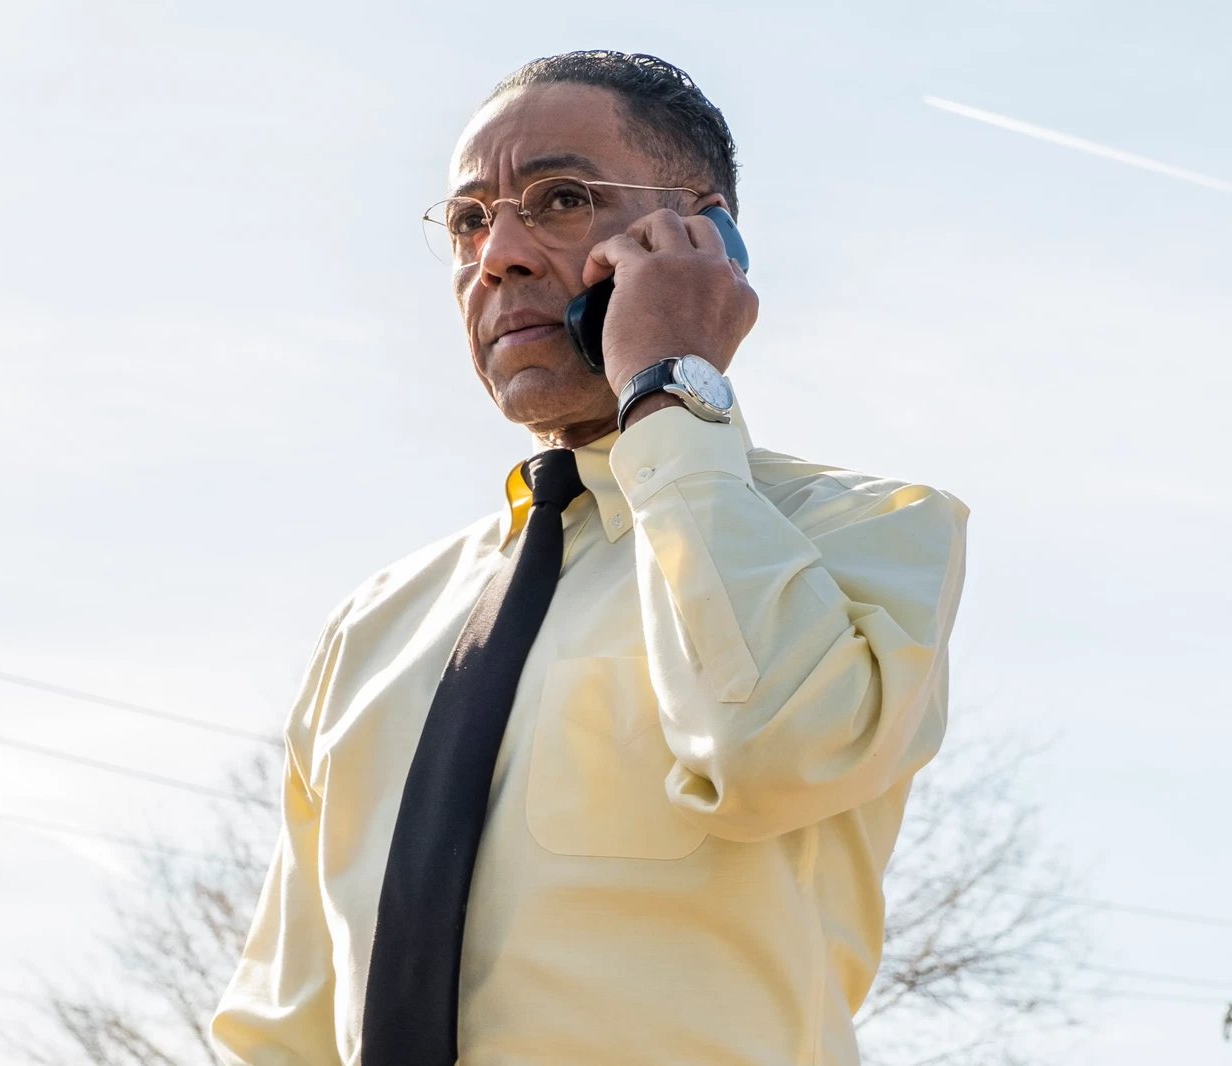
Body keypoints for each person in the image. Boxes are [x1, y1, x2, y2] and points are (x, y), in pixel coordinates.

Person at [210, 50, 968, 1066]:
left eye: (559, 199)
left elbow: (766, 747)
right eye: (470, 219)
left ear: (703, 239)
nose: (498, 255)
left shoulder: (869, 530)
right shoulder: (376, 625)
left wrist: (670, 386)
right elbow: (282, 1029)